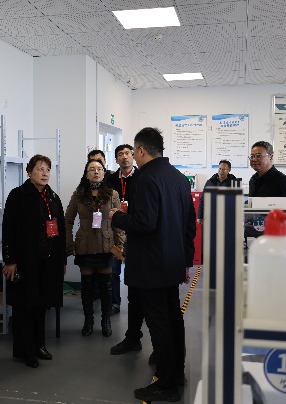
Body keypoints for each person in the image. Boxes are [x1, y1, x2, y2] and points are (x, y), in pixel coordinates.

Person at [110, 127, 196, 402]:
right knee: (173, 320)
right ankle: (176, 372)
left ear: (141, 150)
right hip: (172, 262)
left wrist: (117, 217)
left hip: (151, 264)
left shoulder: (146, 179)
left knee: (159, 325)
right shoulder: (179, 178)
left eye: (133, 151)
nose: (132, 156)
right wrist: (185, 260)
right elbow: (189, 224)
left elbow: (144, 223)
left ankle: (166, 385)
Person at [1, 155, 66, 369]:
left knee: (41, 305)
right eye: (40, 169)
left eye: (47, 169)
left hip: (47, 262)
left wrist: (61, 259)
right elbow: (8, 230)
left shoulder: (53, 198)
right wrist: (10, 260)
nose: (45, 173)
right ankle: (26, 350)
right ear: (29, 172)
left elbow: (61, 231)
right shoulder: (18, 196)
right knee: (25, 306)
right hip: (25, 261)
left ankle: (39, 345)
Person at [65, 158, 125, 337]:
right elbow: (68, 221)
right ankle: (88, 321)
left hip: (106, 245)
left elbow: (119, 222)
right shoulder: (79, 193)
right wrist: (69, 244)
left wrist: (120, 245)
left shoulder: (113, 194)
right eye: (92, 169)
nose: (96, 171)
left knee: (107, 286)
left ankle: (106, 321)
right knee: (87, 286)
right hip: (84, 245)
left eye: (99, 169)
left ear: (104, 173)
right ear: (86, 174)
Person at [108, 144, 137, 315]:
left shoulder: (142, 177)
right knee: (114, 269)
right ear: (116, 159)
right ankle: (114, 303)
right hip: (116, 229)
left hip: (135, 228)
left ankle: (138, 304)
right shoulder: (110, 180)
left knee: (137, 269)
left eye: (127, 153)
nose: (124, 157)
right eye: (120, 154)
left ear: (133, 156)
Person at [197, 159, 237, 224]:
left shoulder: (234, 183)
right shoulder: (210, 182)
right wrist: (200, 216)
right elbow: (203, 199)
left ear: (229, 170)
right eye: (220, 169)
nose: (221, 171)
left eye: (224, 169)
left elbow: (237, 201)